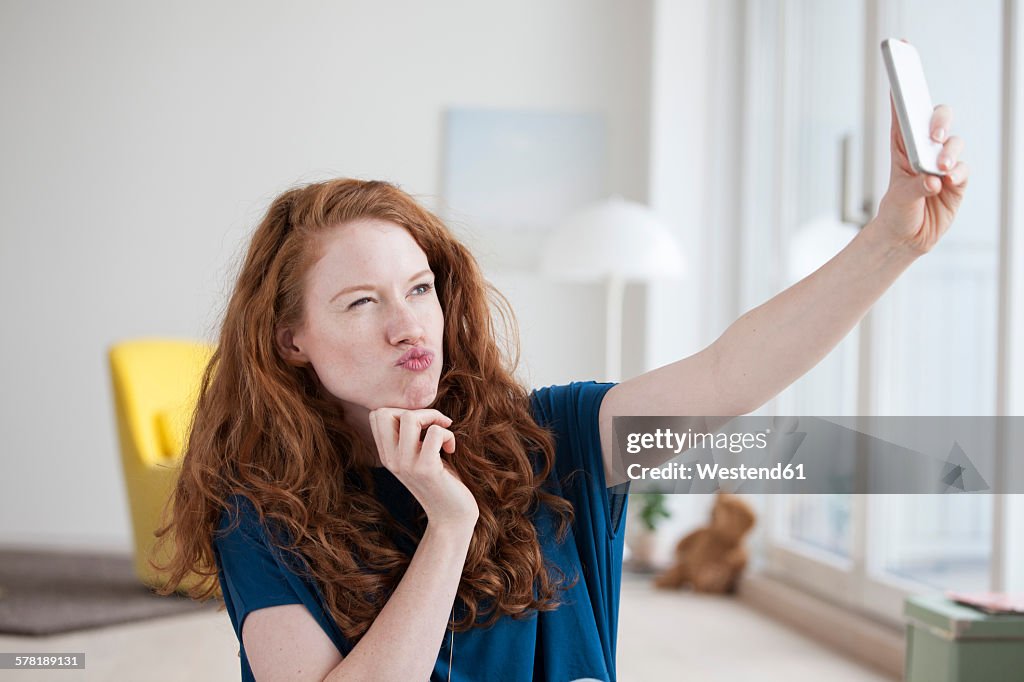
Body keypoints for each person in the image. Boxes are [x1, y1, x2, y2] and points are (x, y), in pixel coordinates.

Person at [154, 99, 967, 681]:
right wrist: (449, 523)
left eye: (418, 288)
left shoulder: (555, 438)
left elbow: (727, 375)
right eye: (362, 303)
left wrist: (890, 243)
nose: (409, 326)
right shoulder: (259, 511)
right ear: (290, 339)